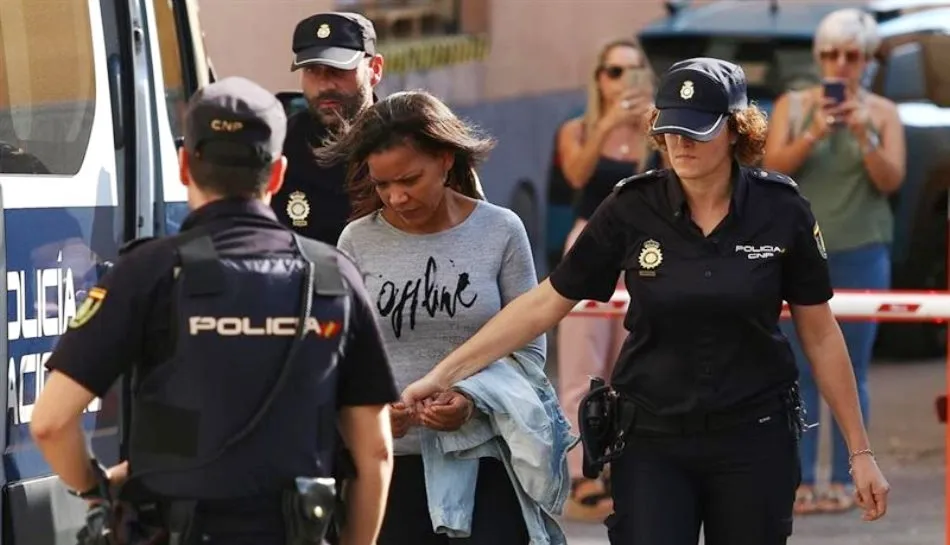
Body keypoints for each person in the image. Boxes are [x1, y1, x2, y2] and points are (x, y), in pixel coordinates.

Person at [401, 58, 891, 545]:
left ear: (737, 130)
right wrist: (444, 374)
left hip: (753, 436)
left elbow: (821, 333)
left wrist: (860, 452)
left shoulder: (782, 210)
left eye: (698, 131)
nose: (681, 143)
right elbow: (546, 302)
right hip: (652, 439)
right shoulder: (631, 207)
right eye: (671, 129)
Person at [28, 76, 398, 545]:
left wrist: (97, 492)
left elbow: (50, 423)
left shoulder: (150, 271)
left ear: (184, 165)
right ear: (279, 174)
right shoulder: (331, 276)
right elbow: (376, 454)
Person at [323, 90, 573, 545]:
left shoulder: (501, 230)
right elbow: (340, 354)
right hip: (391, 463)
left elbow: (530, 346)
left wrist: (472, 399)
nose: (397, 197)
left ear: (444, 160)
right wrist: (374, 413)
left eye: (410, 179)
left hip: (485, 458)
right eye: (382, 185)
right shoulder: (356, 240)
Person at [762, 8, 905, 516]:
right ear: (818, 56)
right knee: (798, 371)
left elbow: (892, 181)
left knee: (855, 369)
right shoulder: (793, 106)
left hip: (861, 251)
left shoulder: (883, 111)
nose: (839, 65)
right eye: (829, 54)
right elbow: (771, 168)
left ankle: (850, 477)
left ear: (866, 60)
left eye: (851, 55)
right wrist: (815, 133)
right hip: (799, 254)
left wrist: (864, 135)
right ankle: (802, 479)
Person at [552, 38, 661, 521]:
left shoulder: (656, 130)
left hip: (642, 249)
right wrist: (608, 126)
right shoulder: (577, 128)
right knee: (581, 363)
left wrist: (645, 130)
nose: (622, 81)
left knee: (629, 365)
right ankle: (581, 471)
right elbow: (576, 175)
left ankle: (623, 464)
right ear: (598, 78)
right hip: (590, 244)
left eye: (633, 71)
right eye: (613, 71)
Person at [270, 11, 385, 245]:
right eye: (312, 70)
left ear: (375, 68)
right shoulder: (280, 146)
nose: (324, 85)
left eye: (338, 70)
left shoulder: (410, 141)